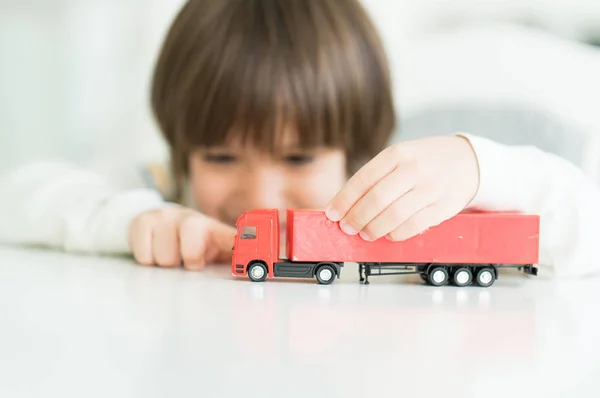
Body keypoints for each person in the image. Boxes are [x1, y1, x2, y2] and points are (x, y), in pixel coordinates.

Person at [1, 0, 599, 279]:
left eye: (299, 155)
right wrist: (128, 222)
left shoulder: (402, 209)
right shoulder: (162, 192)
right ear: (181, 156)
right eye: (220, 155)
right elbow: (16, 199)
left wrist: (480, 168)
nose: (259, 191)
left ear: (358, 154)